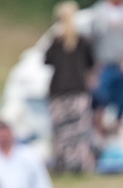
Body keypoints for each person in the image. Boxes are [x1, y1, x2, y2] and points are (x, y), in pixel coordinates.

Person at [44, 1, 96, 174]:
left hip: (59, 91)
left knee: (61, 131)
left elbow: (46, 61)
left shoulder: (56, 42)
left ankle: (62, 164)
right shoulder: (83, 41)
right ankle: (80, 164)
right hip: (78, 90)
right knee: (79, 131)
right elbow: (91, 64)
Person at [90, 0, 123, 137]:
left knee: (121, 100)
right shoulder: (99, 11)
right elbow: (93, 38)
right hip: (104, 63)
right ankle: (99, 132)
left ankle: (118, 131)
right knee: (101, 98)